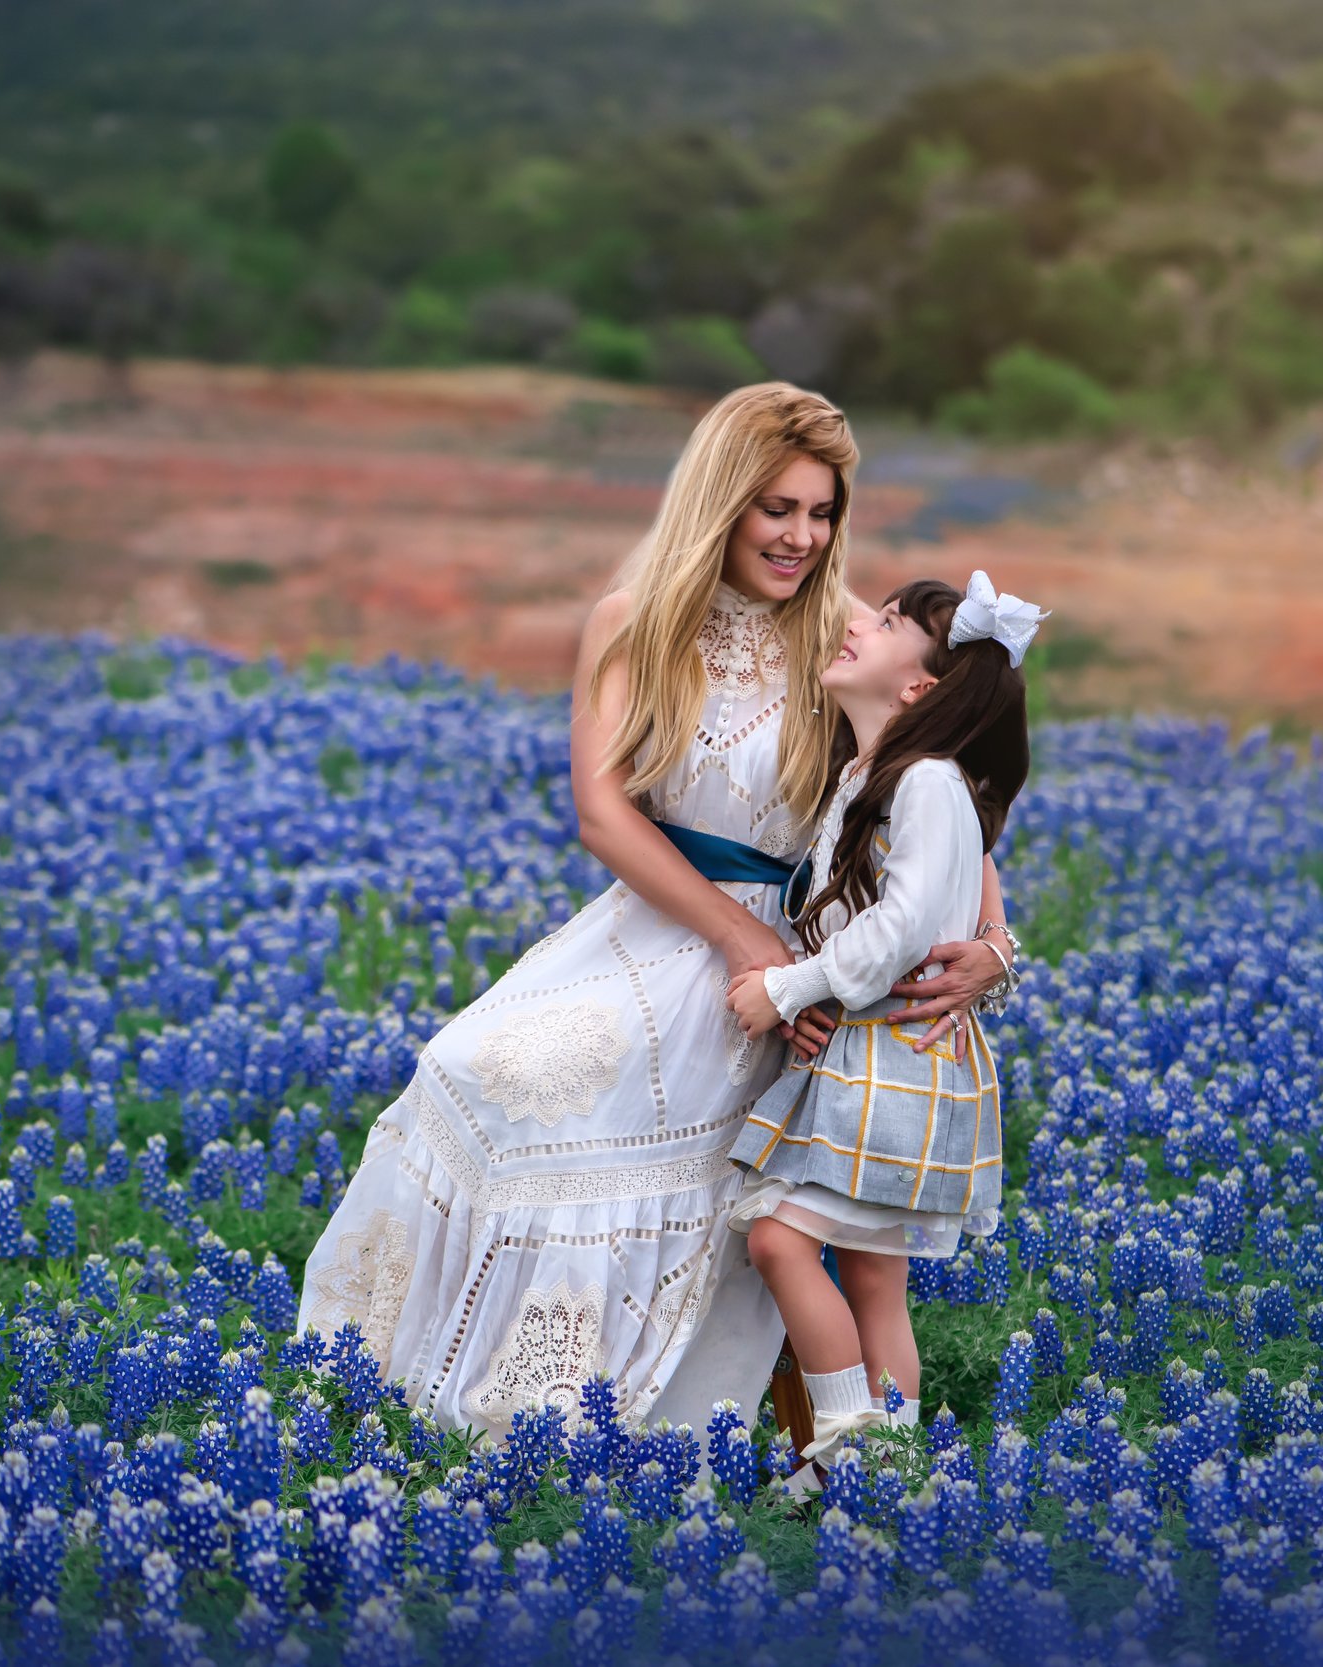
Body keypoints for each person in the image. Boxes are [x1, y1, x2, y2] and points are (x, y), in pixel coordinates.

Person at [297, 384, 1016, 1435]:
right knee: (479, 1067)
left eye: (820, 513)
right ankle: (481, 1402)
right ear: (720, 500)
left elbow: (946, 799)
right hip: (677, 925)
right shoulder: (635, 623)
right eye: (776, 508)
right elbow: (603, 811)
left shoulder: (851, 634)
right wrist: (746, 944)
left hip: (813, 958)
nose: (802, 537)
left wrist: (996, 943)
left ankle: (723, 1425)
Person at [725, 572, 1042, 1465]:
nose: (866, 621)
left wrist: (790, 988)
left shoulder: (930, 782)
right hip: (875, 1052)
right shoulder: (872, 774)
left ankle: (839, 1454)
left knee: (783, 1239)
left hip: (894, 1052)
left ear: (919, 689)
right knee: (872, 1275)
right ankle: (892, 1465)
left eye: (893, 621)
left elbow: (899, 930)